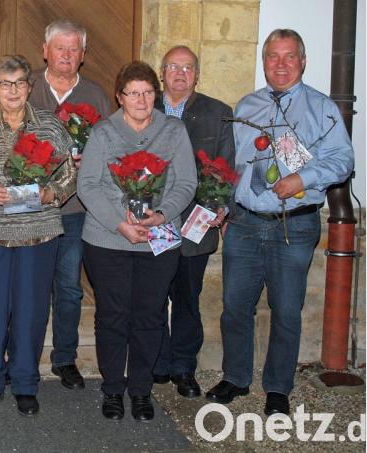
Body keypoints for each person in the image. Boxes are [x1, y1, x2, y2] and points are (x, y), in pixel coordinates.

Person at [205, 29, 354, 416]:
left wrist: (303, 178)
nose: (281, 64)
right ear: (264, 61)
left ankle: (278, 387)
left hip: (294, 226)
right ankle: (236, 377)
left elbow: (343, 160)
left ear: (302, 61)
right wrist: (226, 207)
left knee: (286, 311)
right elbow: (233, 165)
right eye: (273, 56)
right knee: (235, 307)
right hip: (244, 224)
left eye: (289, 56)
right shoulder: (246, 106)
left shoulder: (321, 108)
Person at [77, 61, 196, 421]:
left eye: (147, 92)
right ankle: (113, 388)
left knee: (150, 315)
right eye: (133, 93)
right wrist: (119, 224)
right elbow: (88, 185)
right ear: (120, 97)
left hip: (158, 238)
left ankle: (141, 390)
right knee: (112, 315)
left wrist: (162, 214)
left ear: (155, 95)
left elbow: (186, 183)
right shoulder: (103, 132)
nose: (141, 100)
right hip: (107, 240)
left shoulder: (173, 131)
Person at [0, 55, 76, 417]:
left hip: (38, 235)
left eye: (20, 83)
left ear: (30, 86)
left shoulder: (50, 126)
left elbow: (70, 175)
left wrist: (50, 192)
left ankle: (25, 383)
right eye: (5, 84)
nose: (13, 91)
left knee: (31, 312)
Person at [28, 19, 111, 390]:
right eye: (59, 47)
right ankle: (25, 358)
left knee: (69, 288)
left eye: (73, 48)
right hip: (30, 209)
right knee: (29, 287)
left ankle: (64, 358)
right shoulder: (25, 86)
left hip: (75, 210)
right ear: (45, 51)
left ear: (83, 54)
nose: (66, 55)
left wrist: (89, 158)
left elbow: (111, 149)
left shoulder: (95, 95)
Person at [151, 45, 234, 398]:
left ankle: (184, 367)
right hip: (153, 220)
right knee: (153, 295)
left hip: (195, 224)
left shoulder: (218, 113)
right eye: (173, 66)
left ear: (197, 75)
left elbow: (228, 166)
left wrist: (222, 206)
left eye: (188, 67)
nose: (180, 73)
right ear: (162, 73)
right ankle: (157, 361)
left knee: (187, 298)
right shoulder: (144, 105)